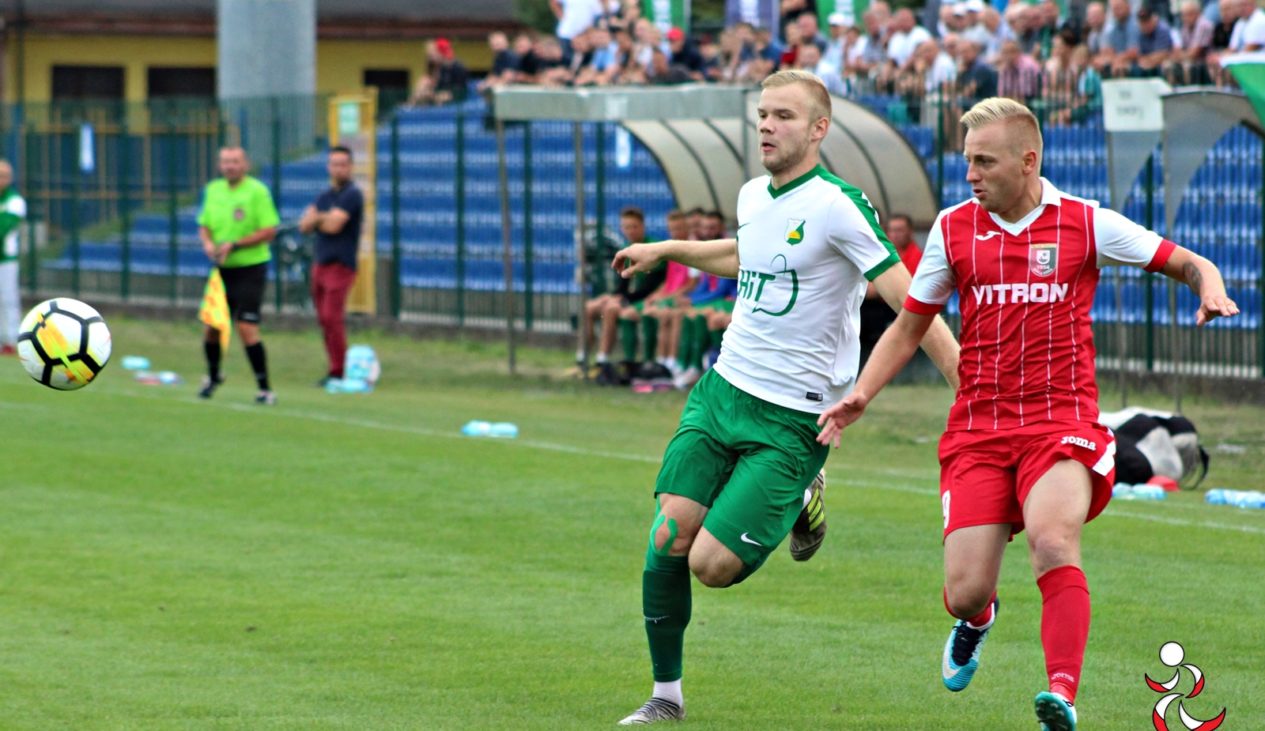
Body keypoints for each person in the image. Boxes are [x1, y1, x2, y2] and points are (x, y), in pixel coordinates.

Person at [815, 97, 1239, 731]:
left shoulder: (1085, 224)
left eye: (984, 161)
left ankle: (1061, 695)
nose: (971, 175)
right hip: (978, 429)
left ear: (1028, 159)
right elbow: (911, 326)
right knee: (966, 590)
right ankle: (977, 620)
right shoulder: (955, 229)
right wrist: (860, 394)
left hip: (1061, 423)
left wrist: (1208, 283)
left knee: (1051, 540)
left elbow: (1180, 259)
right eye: (967, 162)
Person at [610, 69, 960, 725]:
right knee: (667, 537)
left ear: (819, 129)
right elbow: (748, 253)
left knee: (712, 565)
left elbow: (908, 297)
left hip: (793, 416)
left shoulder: (837, 205)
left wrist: (962, 379)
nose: (767, 125)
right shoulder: (751, 194)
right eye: (763, 114)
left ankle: (804, 490)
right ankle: (666, 696)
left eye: (784, 116)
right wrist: (667, 248)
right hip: (720, 391)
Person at [196, 146, 281, 405]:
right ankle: (213, 376)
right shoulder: (213, 190)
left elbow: (270, 230)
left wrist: (236, 245)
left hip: (250, 268)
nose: (230, 166)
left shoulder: (257, 192)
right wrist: (209, 244)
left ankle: (265, 388)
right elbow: (204, 225)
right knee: (212, 327)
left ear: (245, 164)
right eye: (225, 162)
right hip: (221, 270)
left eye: (235, 162)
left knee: (246, 327)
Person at [298, 145, 364, 387]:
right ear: (328, 167)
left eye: (343, 164)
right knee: (324, 319)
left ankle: (339, 371)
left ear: (350, 166)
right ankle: (334, 366)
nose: (339, 168)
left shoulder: (352, 194)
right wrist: (319, 219)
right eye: (335, 164)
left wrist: (318, 218)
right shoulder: (324, 196)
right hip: (321, 263)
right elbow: (305, 226)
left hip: (341, 265)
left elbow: (334, 226)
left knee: (331, 317)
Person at [859, 212, 919, 365]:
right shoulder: (881, 251)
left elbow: (877, 290)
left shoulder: (916, 255)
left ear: (910, 232)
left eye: (900, 230)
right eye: (892, 230)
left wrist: (866, 288)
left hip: (896, 309)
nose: (895, 234)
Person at [0, 160, 26, 356]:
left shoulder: (14, 201)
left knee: (8, 299)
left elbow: (4, 227)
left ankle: (11, 340)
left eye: (4, 176)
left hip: (6, 260)